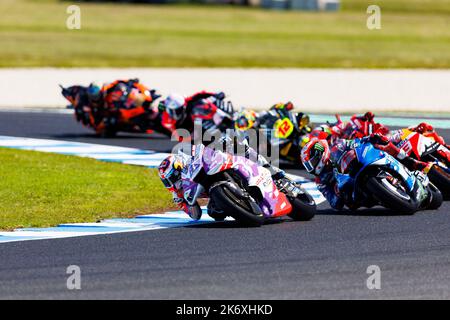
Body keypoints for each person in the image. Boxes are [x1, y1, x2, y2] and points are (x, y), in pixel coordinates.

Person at [300, 134, 433, 210]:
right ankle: (385, 198)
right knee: (352, 204)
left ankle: (411, 163)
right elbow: (334, 203)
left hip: (362, 162)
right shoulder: (320, 181)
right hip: (354, 191)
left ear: (319, 153)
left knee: (382, 144)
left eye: (311, 162)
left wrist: (371, 138)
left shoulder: (338, 146)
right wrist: (337, 193)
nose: (312, 167)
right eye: (308, 166)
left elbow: (356, 142)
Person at [160, 90, 233, 135]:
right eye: (171, 111)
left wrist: (214, 95)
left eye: (177, 110)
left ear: (183, 106)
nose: (174, 113)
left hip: (211, 117)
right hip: (198, 134)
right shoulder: (168, 118)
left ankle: (228, 116)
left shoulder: (187, 101)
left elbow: (199, 95)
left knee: (201, 104)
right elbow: (177, 134)